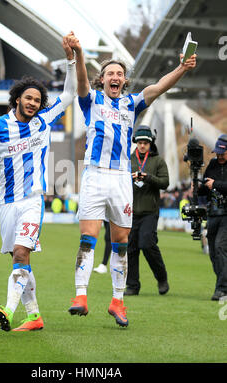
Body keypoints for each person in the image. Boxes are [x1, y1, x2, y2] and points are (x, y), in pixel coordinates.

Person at [66, 31, 196, 328]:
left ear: (124, 82)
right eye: (110, 73)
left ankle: (118, 301)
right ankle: (81, 296)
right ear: (103, 80)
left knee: (121, 241)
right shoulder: (91, 100)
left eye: (120, 74)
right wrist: (80, 54)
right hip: (95, 176)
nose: (115, 77)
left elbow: (159, 87)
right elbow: (82, 81)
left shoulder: (131, 104)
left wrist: (182, 68)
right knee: (88, 237)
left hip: (121, 179)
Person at [0, 33, 77, 332]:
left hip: (32, 201)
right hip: (6, 203)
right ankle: (35, 316)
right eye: (29, 98)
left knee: (21, 252)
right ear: (17, 98)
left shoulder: (43, 120)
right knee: (20, 261)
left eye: (38, 100)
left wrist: (71, 60)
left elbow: (68, 95)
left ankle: (9, 310)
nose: (33, 103)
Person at [124, 126, 169, 296]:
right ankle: (133, 286)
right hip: (131, 212)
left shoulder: (158, 161)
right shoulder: (128, 160)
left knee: (147, 244)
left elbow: (165, 182)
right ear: (136, 143)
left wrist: (148, 177)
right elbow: (119, 180)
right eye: (140, 142)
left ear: (150, 144)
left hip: (150, 211)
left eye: (146, 143)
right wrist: (131, 177)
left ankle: (162, 277)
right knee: (131, 249)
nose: (142, 146)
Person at [198, 134, 227, 301]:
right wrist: (198, 186)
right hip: (213, 212)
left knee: (221, 247)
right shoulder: (213, 164)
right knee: (214, 252)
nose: (219, 156)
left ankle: (222, 289)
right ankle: (222, 282)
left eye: (222, 153)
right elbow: (205, 187)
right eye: (218, 153)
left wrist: (215, 184)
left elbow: (214, 184)